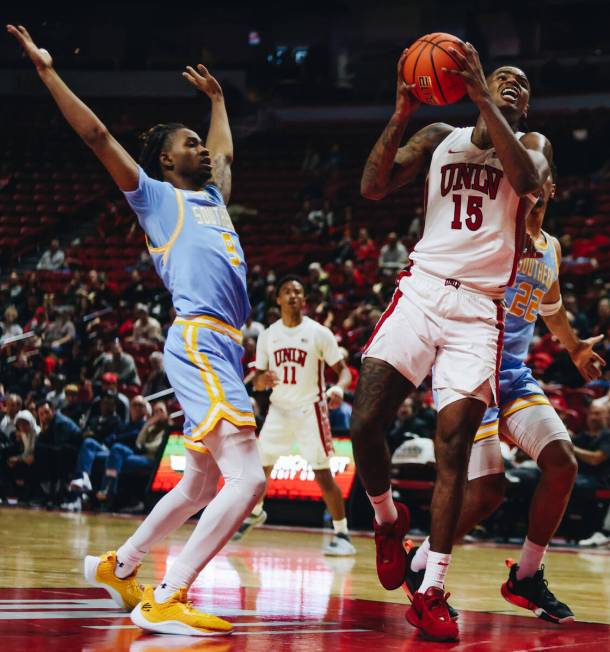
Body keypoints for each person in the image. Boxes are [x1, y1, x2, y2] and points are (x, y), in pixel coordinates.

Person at [8, 23, 265, 637]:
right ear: (162, 161)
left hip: (224, 346)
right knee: (248, 478)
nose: (202, 149)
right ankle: (169, 595)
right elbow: (97, 135)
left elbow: (225, 155)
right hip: (200, 338)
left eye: (200, 142)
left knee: (202, 481)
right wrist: (47, 72)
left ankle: (122, 566)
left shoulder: (213, 199)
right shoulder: (153, 198)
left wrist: (219, 104)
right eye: (188, 144)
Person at [352, 41, 553, 641]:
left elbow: (524, 179)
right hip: (422, 289)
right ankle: (389, 522)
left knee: (454, 449)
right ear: (468, 80)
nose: (513, 85)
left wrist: (486, 97)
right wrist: (399, 112)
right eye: (502, 78)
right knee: (365, 422)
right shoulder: (441, 133)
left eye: (522, 84)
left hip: (478, 310)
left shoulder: (536, 147)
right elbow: (373, 186)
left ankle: (432, 588)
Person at [405, 169, 605, 624]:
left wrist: (573, 348)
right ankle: (420, 568)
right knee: (487, 493)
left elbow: (549, 307)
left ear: (551, 187)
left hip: (512, 374)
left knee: (563, 463)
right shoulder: (491, 230)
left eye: (543, 177)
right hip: (469, 368)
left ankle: (526, 578)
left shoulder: (550, 247)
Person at [233, 276, 354, 555]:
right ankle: (256, 512)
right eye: (286, 291)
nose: (292, 296)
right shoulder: (268, 334)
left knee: (322, 474)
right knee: (260, 467)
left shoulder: (318, 333)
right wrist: (261, 383)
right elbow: (259, 379)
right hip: (279, 409)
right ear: (278, 299)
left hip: (309, 408)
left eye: (297, 291)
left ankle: (342, 534)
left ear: (304, 300)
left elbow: (344, 371)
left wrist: (338, 388)